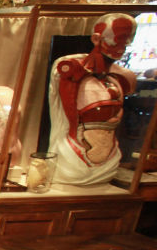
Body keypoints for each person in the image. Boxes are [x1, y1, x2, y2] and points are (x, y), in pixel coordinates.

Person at [48, 12, 136, 185]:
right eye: (115, 40)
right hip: (75, 156)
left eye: (126, 42)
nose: (120, 47)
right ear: (96, 39)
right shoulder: (70, 67)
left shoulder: (122, 76)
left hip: (107, 158)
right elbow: (67, 113)